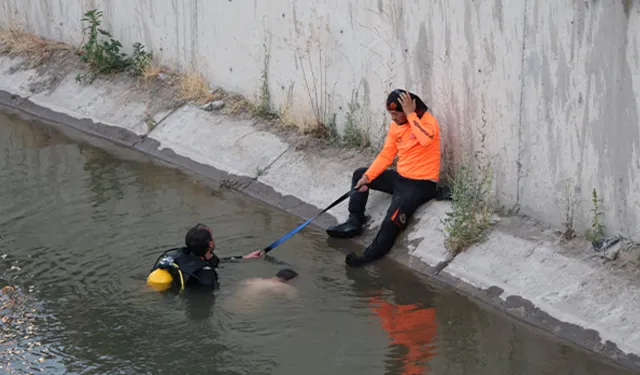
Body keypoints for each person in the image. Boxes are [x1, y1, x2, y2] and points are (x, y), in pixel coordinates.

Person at [327, 89, 441, 267]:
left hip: (421, 184)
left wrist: (411, 115)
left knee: (392, 218)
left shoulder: (427, 121)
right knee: (360, 174)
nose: (393, 118)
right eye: (391, 114)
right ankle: (354, 222)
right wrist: (367, 177)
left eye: (396, 114)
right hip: (401, 177)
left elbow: (425, 140)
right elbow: (386, 155)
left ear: (408, 110)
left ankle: (369, 256)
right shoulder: (396, 127)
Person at [146, 223, 264, 292]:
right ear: (210, 244)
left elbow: (216, 262)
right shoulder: (205, 273)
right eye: (212, 237)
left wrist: (245, 257)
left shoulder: (181, 254)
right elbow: (211, 294)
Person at [223, 268, 299, 313]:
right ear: (289, 280)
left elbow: (236, 285)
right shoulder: (283, 287)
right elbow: (293, 301)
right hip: (248, 310)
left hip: (228, 304)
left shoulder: (254, 280)